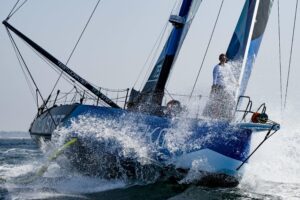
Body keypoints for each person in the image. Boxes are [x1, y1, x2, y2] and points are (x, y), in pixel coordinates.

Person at [202, 53, 238, 120]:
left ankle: (229, 116)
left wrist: (235, 82)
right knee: (218, 102)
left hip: (226, 88)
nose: (223, 60)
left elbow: (231, 75)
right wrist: (213, 88)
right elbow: (214, 79)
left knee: (232, 100)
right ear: (220, 59)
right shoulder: (217, 67)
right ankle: (215, 116)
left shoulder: (227, 66)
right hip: (219, 87)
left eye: (224, 59)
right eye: (222, 59)